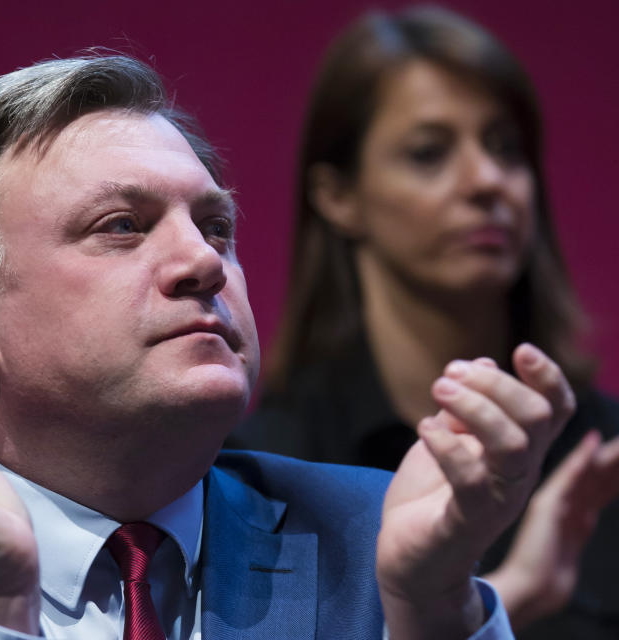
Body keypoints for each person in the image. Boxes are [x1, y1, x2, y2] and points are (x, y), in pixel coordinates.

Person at [0, 54, 573, 640]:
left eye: (215, 226)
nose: (201, 262)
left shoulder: (382, 550)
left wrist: (435, 610)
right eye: (121, 227)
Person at [228, 7, 619, 638]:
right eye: (429, 154)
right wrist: (512, 594)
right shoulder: (265, 472)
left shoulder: (600, 455)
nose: (487, 181)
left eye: (505, 148)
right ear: (338, 197)